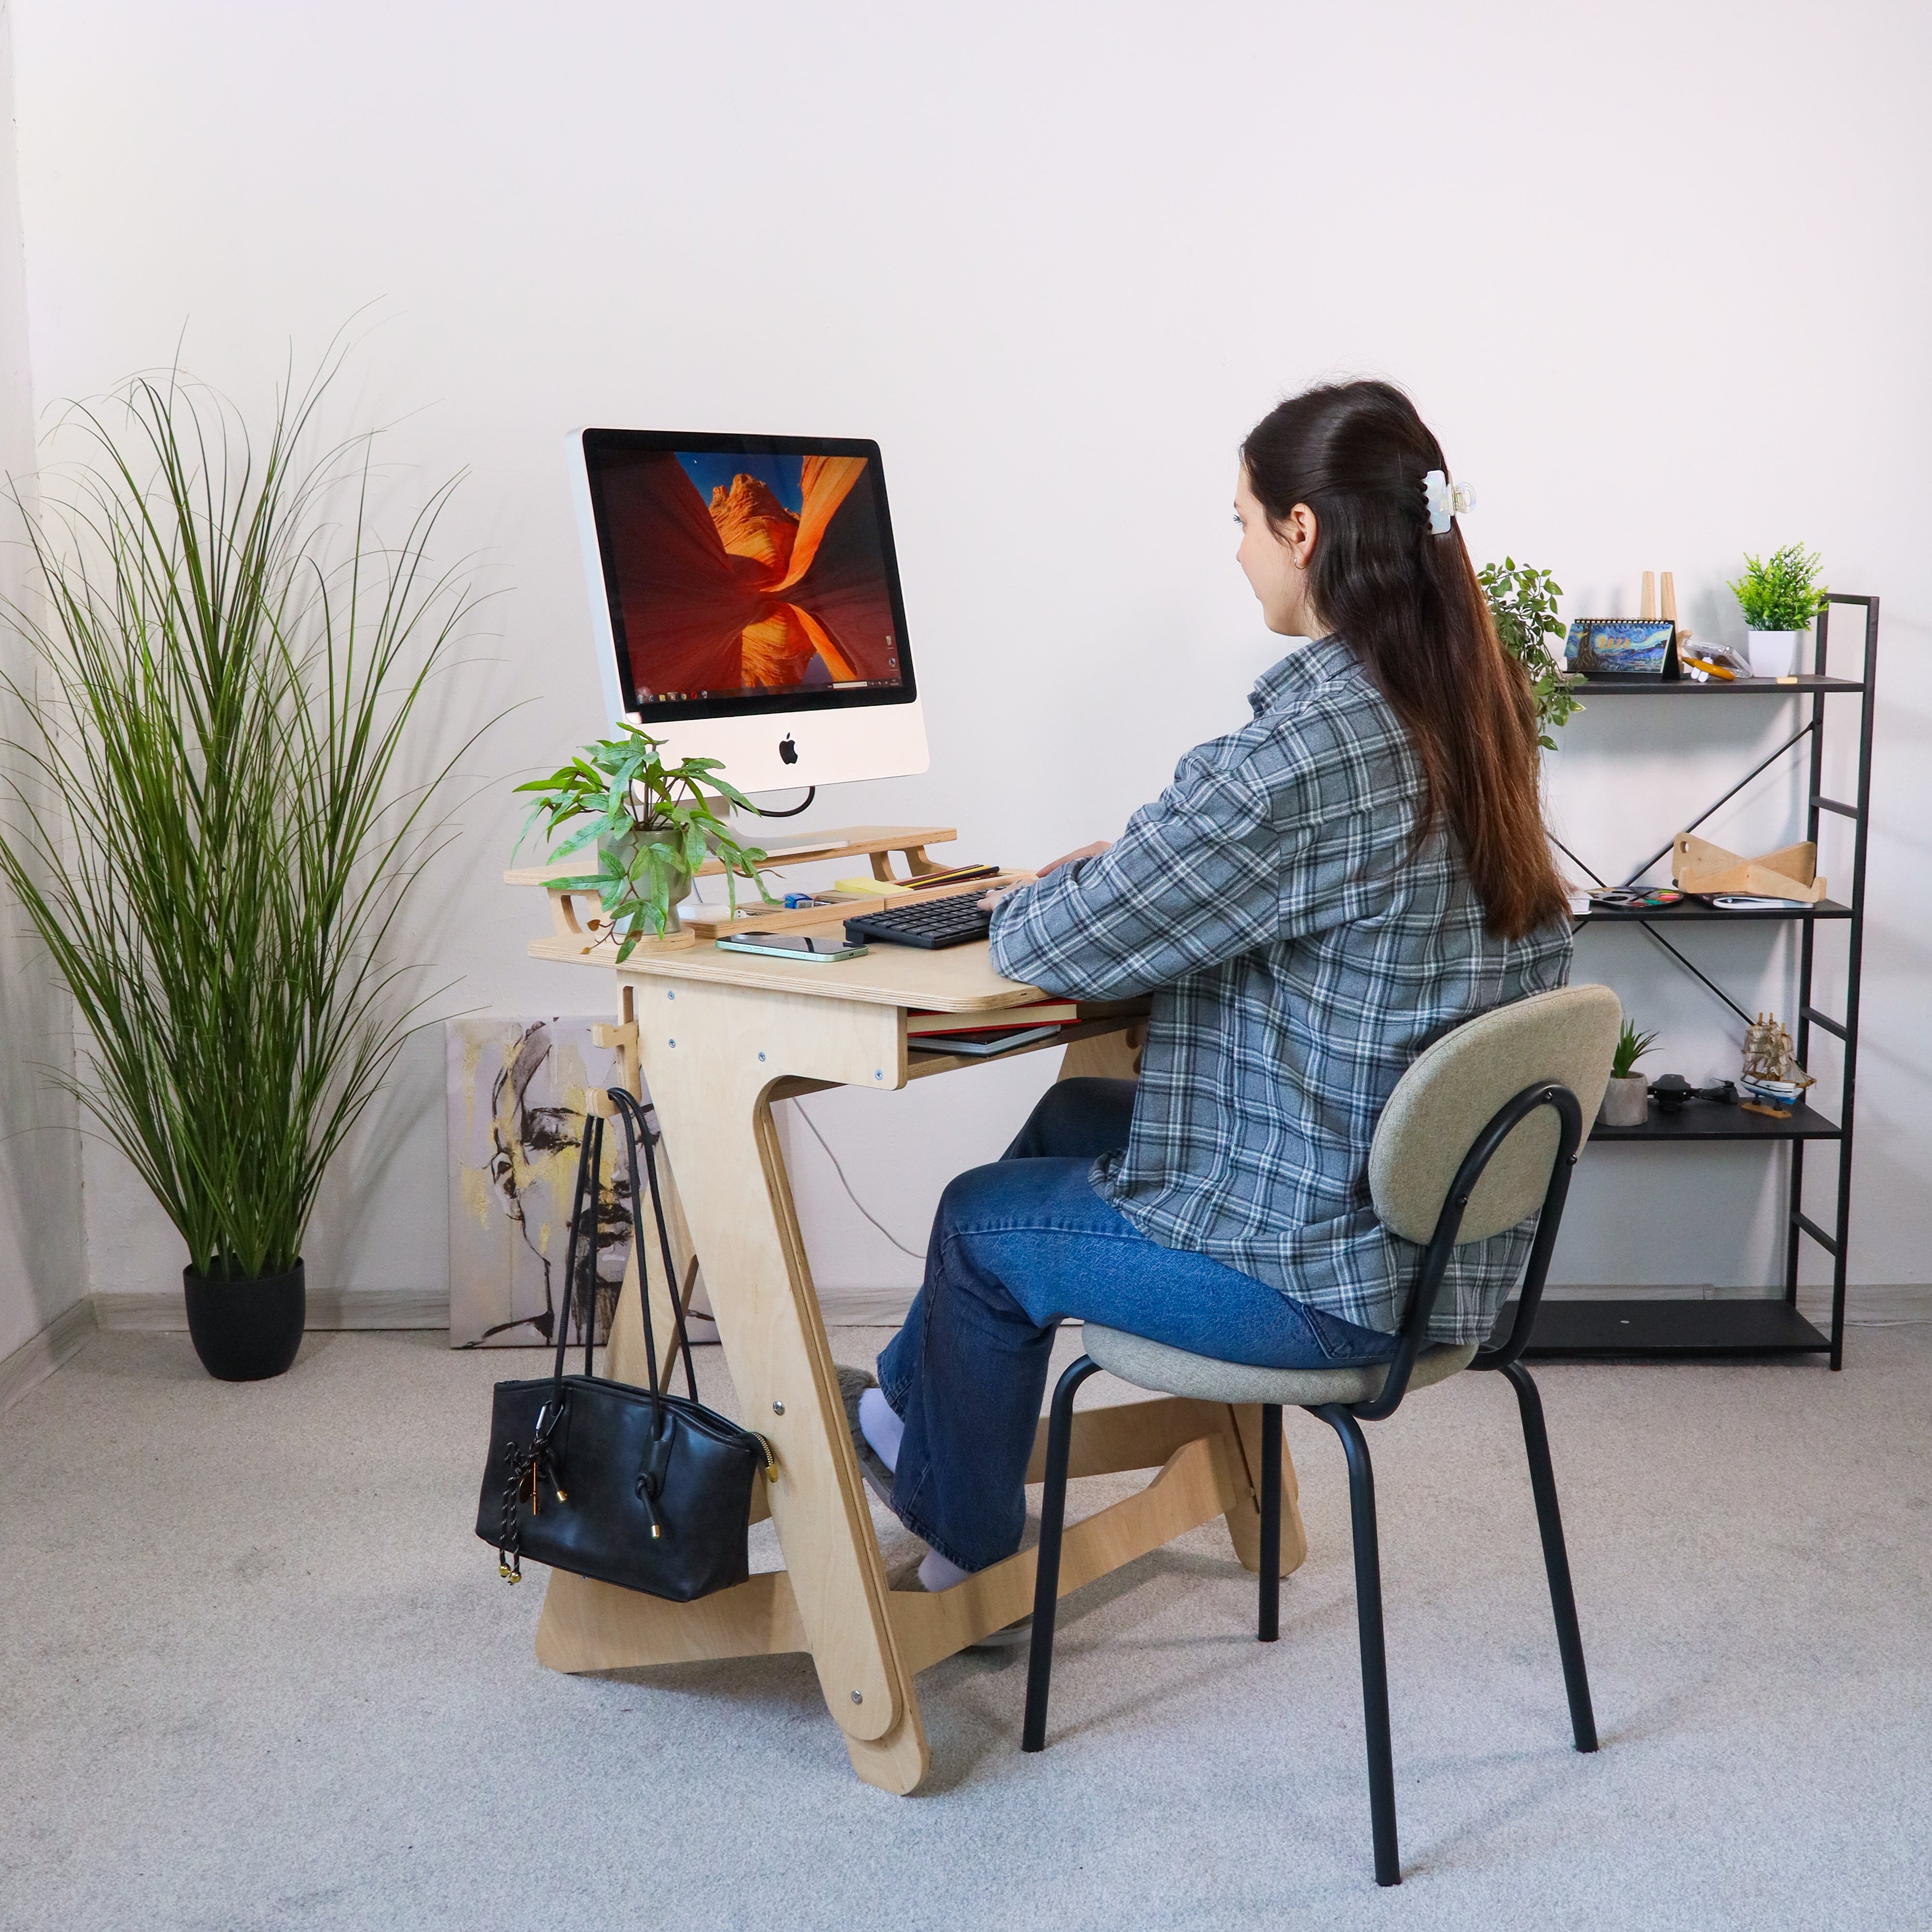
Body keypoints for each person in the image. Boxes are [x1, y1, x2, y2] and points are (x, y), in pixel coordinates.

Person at [845, 379, 1573, 1598]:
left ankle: (959, 1543)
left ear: (1303, 532)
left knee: (978, 1223)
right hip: (1433, 1249)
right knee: (1080, 1118)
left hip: (1328, 1281)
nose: (1235, 552)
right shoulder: (1467, 702)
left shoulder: (1312, 746)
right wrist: (1140, 867)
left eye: (1240, 520)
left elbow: (1051, 944)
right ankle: (920, 1421)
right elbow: (1235, 875)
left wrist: (1039, 890)